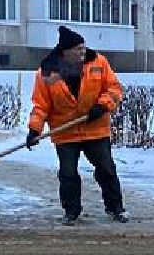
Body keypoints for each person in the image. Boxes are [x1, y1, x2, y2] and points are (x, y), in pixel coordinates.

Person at [26, 26, 126, 224]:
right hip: (65, 132)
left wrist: (102, 105)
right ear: (65, 52)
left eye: (83, 48)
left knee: (106, 169)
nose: (83, 52)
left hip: (95, 129)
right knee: (68, 173)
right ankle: (71, 211)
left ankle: (116, 208)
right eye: (78, 49)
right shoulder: (47, 73)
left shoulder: (98, 62)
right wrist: (34, 129)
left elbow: (114, 89)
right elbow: (41, 105)